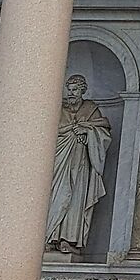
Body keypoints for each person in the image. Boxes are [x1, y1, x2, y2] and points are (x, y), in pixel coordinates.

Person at [45, 74, 113, 256]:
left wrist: (88, 132)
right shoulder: (59, 110)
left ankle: (69, 239)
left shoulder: (91, 110)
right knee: (55, 196)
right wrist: (71, 129)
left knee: (75, 200)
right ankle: (50, 237)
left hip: (80, 164)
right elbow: (48, 131)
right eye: (69, 89)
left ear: (83, 90)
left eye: (75, 89)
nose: (71, 93)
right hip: (59, 162)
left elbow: (103, 132)